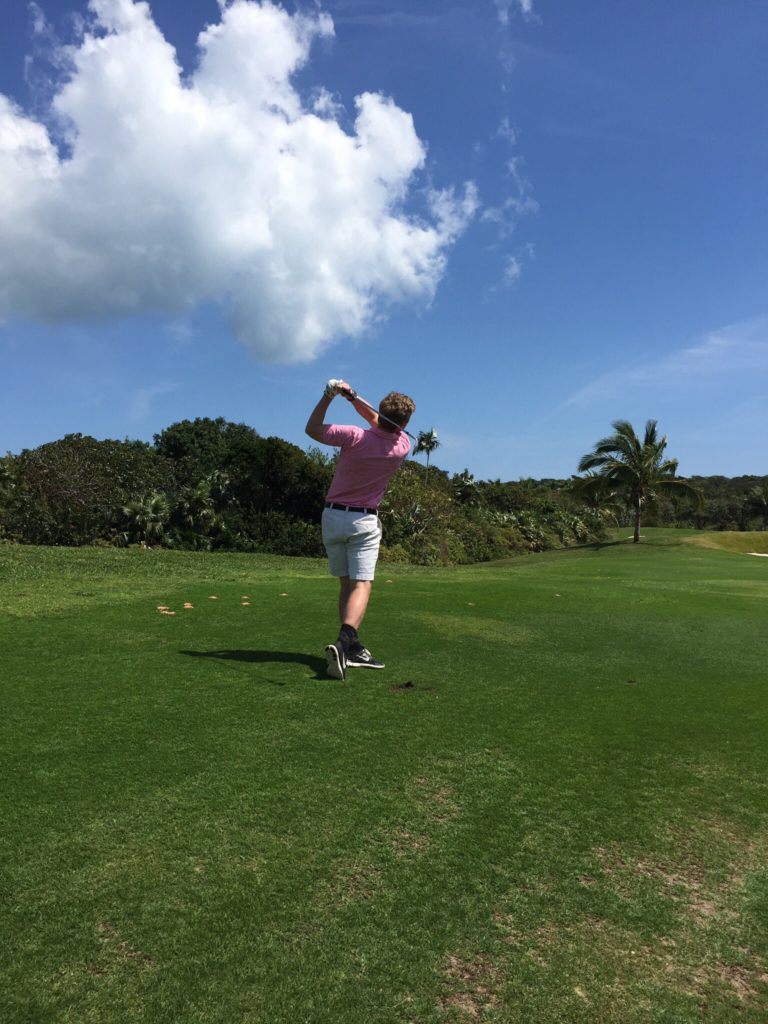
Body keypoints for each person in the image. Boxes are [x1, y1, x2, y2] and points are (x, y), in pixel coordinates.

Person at [305, 380, 415, 680]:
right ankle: (345, 642)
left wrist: (330, 396)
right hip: (363, 522)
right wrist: (353, 399)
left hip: (332, 517)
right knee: (362, 584)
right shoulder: (402, 447)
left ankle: (351, 647)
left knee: (346, 584)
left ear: (381, 410)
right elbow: (382, 424)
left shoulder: (353, 436)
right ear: (404, 424)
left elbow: (312, 429)